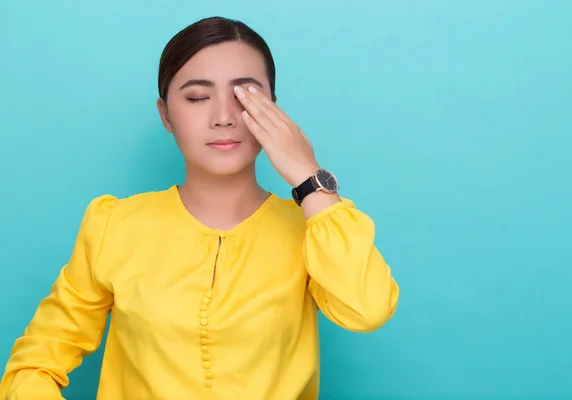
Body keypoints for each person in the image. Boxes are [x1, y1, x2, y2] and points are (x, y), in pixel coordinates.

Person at [0, 16, 399, 400]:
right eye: (197, 97)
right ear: (165, 115)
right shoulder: (113, 225)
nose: (224, 117)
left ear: (275, 110)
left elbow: (367, 310)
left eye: (246, 97)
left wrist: (307, 174)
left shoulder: (313, 230)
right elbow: (36, 362)